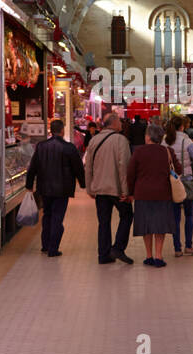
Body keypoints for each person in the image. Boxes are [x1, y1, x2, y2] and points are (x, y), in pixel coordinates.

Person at [24, 119, 85, 257]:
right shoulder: (69, 147)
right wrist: (83, 183)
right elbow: (78, 168)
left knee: (47, 215)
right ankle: (53, 248)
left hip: (44, 188)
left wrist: (29, 185)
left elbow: (33, 167)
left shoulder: (41, 146)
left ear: (51, 131)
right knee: (57, 217)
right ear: (62, 131)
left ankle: (45, 245)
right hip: (62, 189)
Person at [83, 112, 134, 265]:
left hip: (100, 188)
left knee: (103, 222)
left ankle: (104, 255)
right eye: (119, 121)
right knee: (127, 216)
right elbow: (123, 167)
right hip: (116, 189)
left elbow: (88, 167)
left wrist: (90, 188)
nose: (121, 124)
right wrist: (126, 192)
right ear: (113, 123)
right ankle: (118, 248)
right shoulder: (121, 140)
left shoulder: (94, 140)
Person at [127, 123, 180, 267]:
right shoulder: (167, 151)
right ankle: (159, 256)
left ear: (148, 136)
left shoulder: (139, 152)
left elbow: (130, 174)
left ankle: (148, 256)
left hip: (143, 194)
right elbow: (178, 169)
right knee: (160, 226)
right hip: (163, 193)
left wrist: (130, 193)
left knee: (146, 225)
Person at [165, 119, 193, 256]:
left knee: (175, 216)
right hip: (186, 181)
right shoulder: (187, 142)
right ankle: (189, 246)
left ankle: (177, 248)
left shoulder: (165, 141)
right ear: (182, 127)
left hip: (172, 181)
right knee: (189, 215)